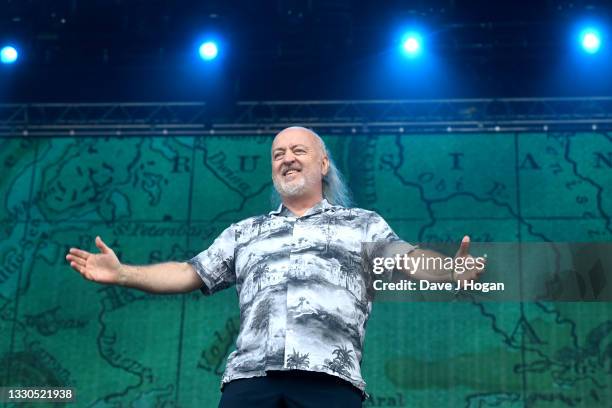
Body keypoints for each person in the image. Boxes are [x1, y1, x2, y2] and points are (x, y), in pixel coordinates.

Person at [66, 126, 485, 407]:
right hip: (249, 382)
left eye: (299, 150)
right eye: (278, 154)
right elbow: (189, 272)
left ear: (323, 164)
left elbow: (407, 260)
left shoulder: (362, 224)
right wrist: (124, 274)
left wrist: (451, 271)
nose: (287, 158)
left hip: (330, 380)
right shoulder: (244, 232)